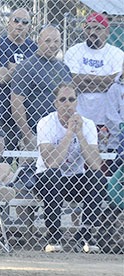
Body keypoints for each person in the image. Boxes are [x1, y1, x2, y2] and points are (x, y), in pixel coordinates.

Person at [33, 82, 107, 253]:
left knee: (98, 178)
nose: (67, 104)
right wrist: (68, 134)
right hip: (47, 180)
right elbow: (51, 163)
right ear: (55, 103)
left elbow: (95, 164)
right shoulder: (46, 123)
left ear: (77, 102)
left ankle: (85, 236)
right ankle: (54, 236)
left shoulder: (87, 124)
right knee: (53, 174)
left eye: (71, 99)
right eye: (63, 99)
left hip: (74, 180)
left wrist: (79, 133)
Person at [64, 12, 124, 173]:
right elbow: (73, 82)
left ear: (107, 31)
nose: (92, 32)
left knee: (105, 162)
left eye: (98, 28)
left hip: (107, 119)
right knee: (79, 159)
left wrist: (86, 80)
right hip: (79, 116)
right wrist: (103, 80)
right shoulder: (74, 51)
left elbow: (115, 82)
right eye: (89, 28)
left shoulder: (116, 54)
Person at [0, 8, 37, 156]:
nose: (20, 24)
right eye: (16, 20)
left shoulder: (33, 47)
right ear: (8, 23)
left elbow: (38, 77)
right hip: (4, 110)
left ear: (29, 27)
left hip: (29, 111)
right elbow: (1, 77)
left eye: (25, 22)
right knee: (4, 158)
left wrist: (12, 68)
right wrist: (26, 69)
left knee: (28, 161)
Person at [10, 25, 72, 150]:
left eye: (56, 41)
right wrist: (27, 136)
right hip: (35, 134)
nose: (52, 45)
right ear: (39, 41)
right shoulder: (26, 67)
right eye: (48, 41)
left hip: (60, 134)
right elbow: (16, 103)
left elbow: (70, 101)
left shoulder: (64, 69)